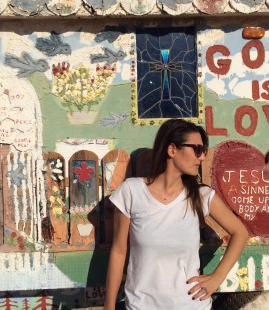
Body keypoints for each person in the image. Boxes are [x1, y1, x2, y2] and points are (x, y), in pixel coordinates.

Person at [104, 119, 249, 310]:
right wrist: (109, 306)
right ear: (172, 150)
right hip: (141, 305)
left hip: (192, 305)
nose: (202, 157)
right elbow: (118, 251)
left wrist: (217, 277)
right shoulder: (131, 192)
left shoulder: (201, 196)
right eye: (196, 149)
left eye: (203, 150)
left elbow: (241, 233)